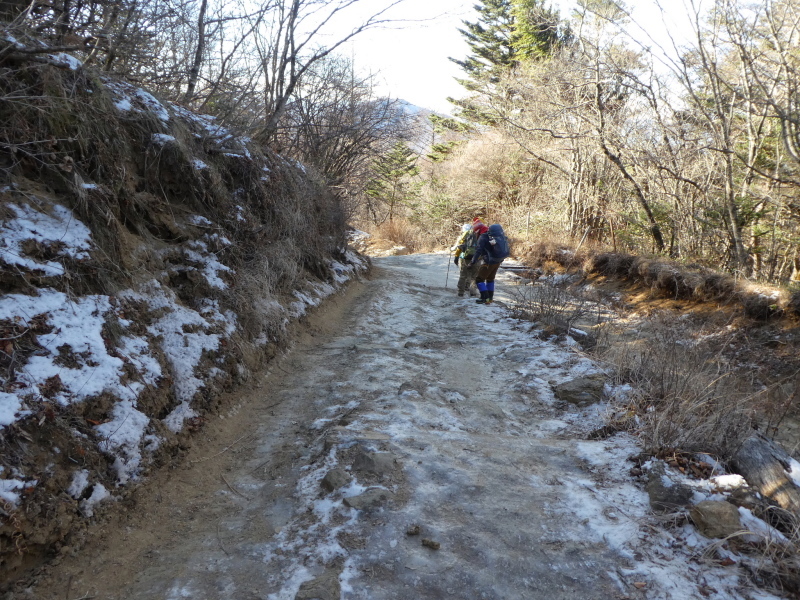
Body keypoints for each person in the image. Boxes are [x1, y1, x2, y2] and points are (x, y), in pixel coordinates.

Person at [469, 222, 510, 304]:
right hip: (498, 261)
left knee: (479, 279)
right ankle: (490, 298)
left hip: (488, 262)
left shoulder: (484, 237)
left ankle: (484, 298)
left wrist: (472, 261)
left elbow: (478, 251)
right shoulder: (500, 236)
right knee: (490, 279)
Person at [452, 223, 479, 297]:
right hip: (476, 258)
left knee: (463, 275)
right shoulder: (479, 236)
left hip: (464, 257)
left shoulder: (463, 236)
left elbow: (458, 248)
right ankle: (472, 292)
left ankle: (461, 292)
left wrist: (456, 257)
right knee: (474, 276)